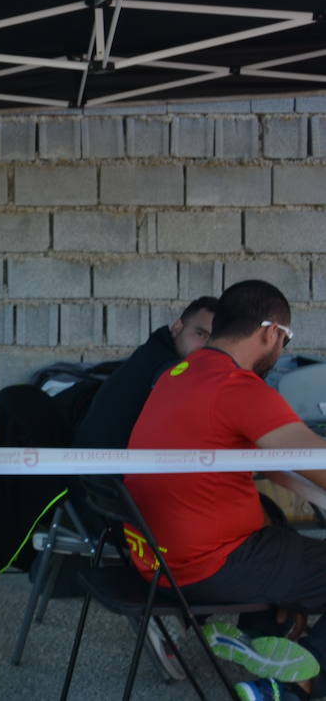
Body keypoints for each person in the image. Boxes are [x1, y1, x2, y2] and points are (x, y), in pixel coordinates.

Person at [127, 279, 326, 701]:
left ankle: (266, 633)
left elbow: (263, 459)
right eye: (285, 339)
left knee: (280, 528)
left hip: (156, 558)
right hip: (209, 567)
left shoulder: (176, 375)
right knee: (292, 542)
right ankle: (292, 684)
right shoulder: (237, 386)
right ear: (271, 332)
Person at [72, 295, 217, 449]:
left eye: (212, 340)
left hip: (106, 463)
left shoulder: (155, 351)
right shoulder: (163, 364)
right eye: (200, 334)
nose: (205, 346)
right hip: (102, 468)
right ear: (177, 328)